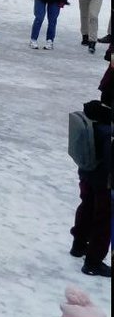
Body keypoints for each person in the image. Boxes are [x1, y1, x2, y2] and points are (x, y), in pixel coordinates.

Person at [69, 100, 112, 277]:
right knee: (104, 218)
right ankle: (93, 262)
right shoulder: (108, 131)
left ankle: (78, 245)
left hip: (87, 172)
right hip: (104, 180)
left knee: (87, 205)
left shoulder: (92, 118)